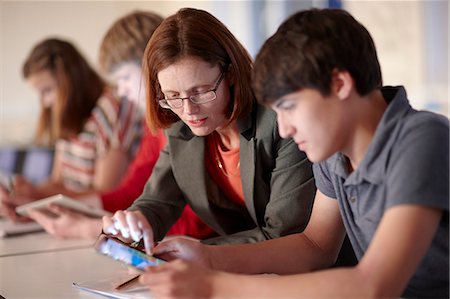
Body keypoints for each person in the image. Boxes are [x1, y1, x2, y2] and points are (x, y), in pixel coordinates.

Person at [132, 8, 449, 299]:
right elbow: (314, 246)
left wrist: (215, 286)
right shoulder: (334, 154)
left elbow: (373, 285)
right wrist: (209, 258)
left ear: (339, 84)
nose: (283, 130)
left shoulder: (422, 139)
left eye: (289, 107)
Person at [102, 8, 316, 251]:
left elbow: (282, 232)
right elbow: (157, 201)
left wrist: (199, 252)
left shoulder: (279, 122)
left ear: (232, 74)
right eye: (172, 96)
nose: (188, 110)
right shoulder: (179, 126)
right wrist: (137, 222)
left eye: (201, 92)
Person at [18, 11, 215, 240]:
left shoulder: (194, 123)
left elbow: (196, 221)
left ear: (152, 67)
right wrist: (50, 207)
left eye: (124, 78)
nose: (120, 90)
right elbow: (130, 193)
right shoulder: (157, 128)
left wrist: (89, 228)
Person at [0, 38, 143, 221]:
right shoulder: (67, 117)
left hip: (102, 221)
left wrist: (39, 198)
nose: (45, 102)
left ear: (70, 82)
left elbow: (107, 193)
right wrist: (26, 194)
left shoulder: (111, 108)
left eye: (48, 90)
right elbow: (58, 181)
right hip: (71, 218)